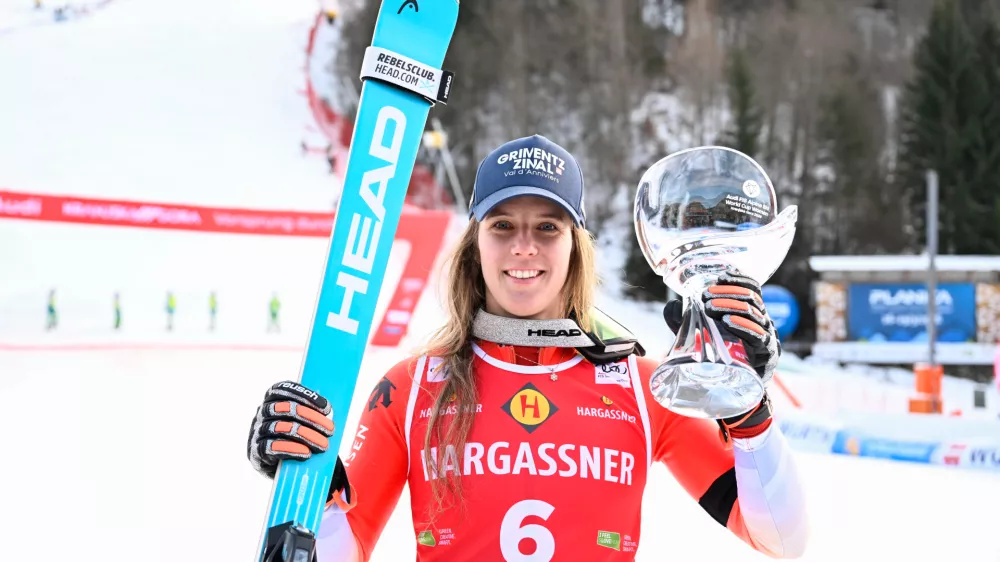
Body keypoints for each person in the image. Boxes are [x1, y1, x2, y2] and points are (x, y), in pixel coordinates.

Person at [246, 135, 809, 561]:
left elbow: (780, 536)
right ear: (475, 242)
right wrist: (305, 481)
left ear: (575, 246)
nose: (524, 248)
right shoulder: (410, 388)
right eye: (502, 225)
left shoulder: (640, 386)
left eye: (547, 227)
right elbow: (334, 552)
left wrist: (748, 410)